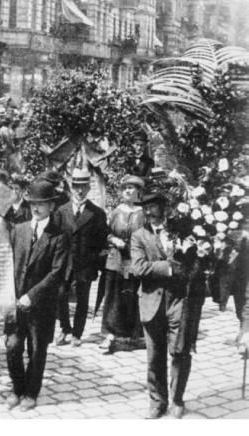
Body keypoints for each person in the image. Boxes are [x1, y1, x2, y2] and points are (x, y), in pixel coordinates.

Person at [131, 192, 205, 419]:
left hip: (179, 301)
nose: (148, 212)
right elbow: (138, 268)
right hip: (151, 302)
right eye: (145, 207)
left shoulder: (181, 231)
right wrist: (169, 267)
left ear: (164, 208)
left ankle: (178, 398)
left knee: (180, 352)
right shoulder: (139, 236)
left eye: (152, 206)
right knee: (154, 356)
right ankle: (157, 401)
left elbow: (195, 263)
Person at [5, 180, 68, 412]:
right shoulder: (18, 229)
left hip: (41, 304)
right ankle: (17, 388)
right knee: (12, 345)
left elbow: (57, 273)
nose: (36, 208)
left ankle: (31, 393)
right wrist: (6, 294)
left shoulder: (59, 236)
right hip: (15, 302)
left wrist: (31, 295)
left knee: (37, 349)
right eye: (33, 203)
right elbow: (9, 264)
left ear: (51, 206)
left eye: (42, 204)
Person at [53, 167, 108, 347]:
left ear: (89, 188)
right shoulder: (61, 211)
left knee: (82, 300)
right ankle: (64, 328)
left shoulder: (97, 213)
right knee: (60, 295)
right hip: (64, 263)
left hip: (85, 264)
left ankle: (77, 333)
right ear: (71, 186)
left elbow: (101, 242)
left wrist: (95, 262)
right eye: (76, 186)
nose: (79, 190)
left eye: (83, 186)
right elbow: (55, 238)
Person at [98, 175, 146, 353]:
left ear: (138, 192)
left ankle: (135, 335)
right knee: (114, 297)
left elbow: (147, 236)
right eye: (125, 187)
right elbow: (106, 233)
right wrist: (114, 240)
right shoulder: (116, 212)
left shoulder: (142, 213)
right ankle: (110, 335)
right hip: (116, 260)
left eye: (132, 188)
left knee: (133, 296)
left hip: (135, 260)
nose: (127, 190)